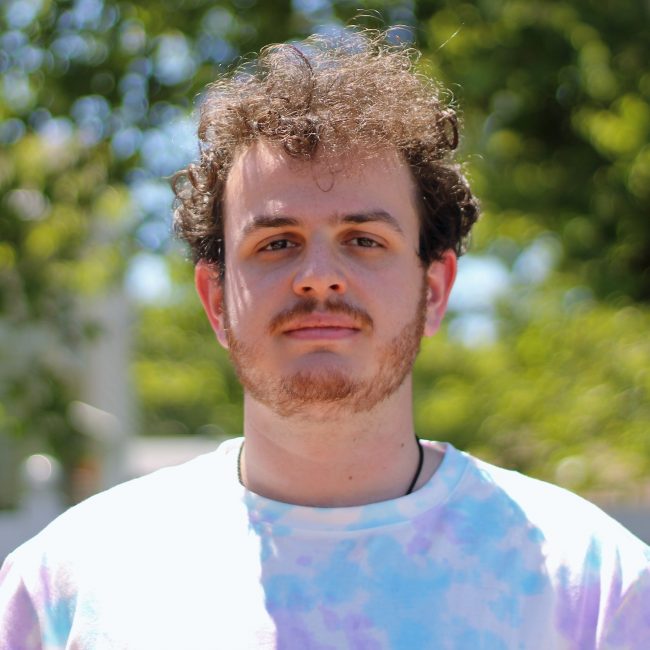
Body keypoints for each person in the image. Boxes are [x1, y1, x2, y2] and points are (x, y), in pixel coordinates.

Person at [1, 29, 649, 650]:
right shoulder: (67, 585)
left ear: (433, 290)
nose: (317, 277)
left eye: (363, 240)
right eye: (275, 243)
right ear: (216, 300)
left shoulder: (594, 587)